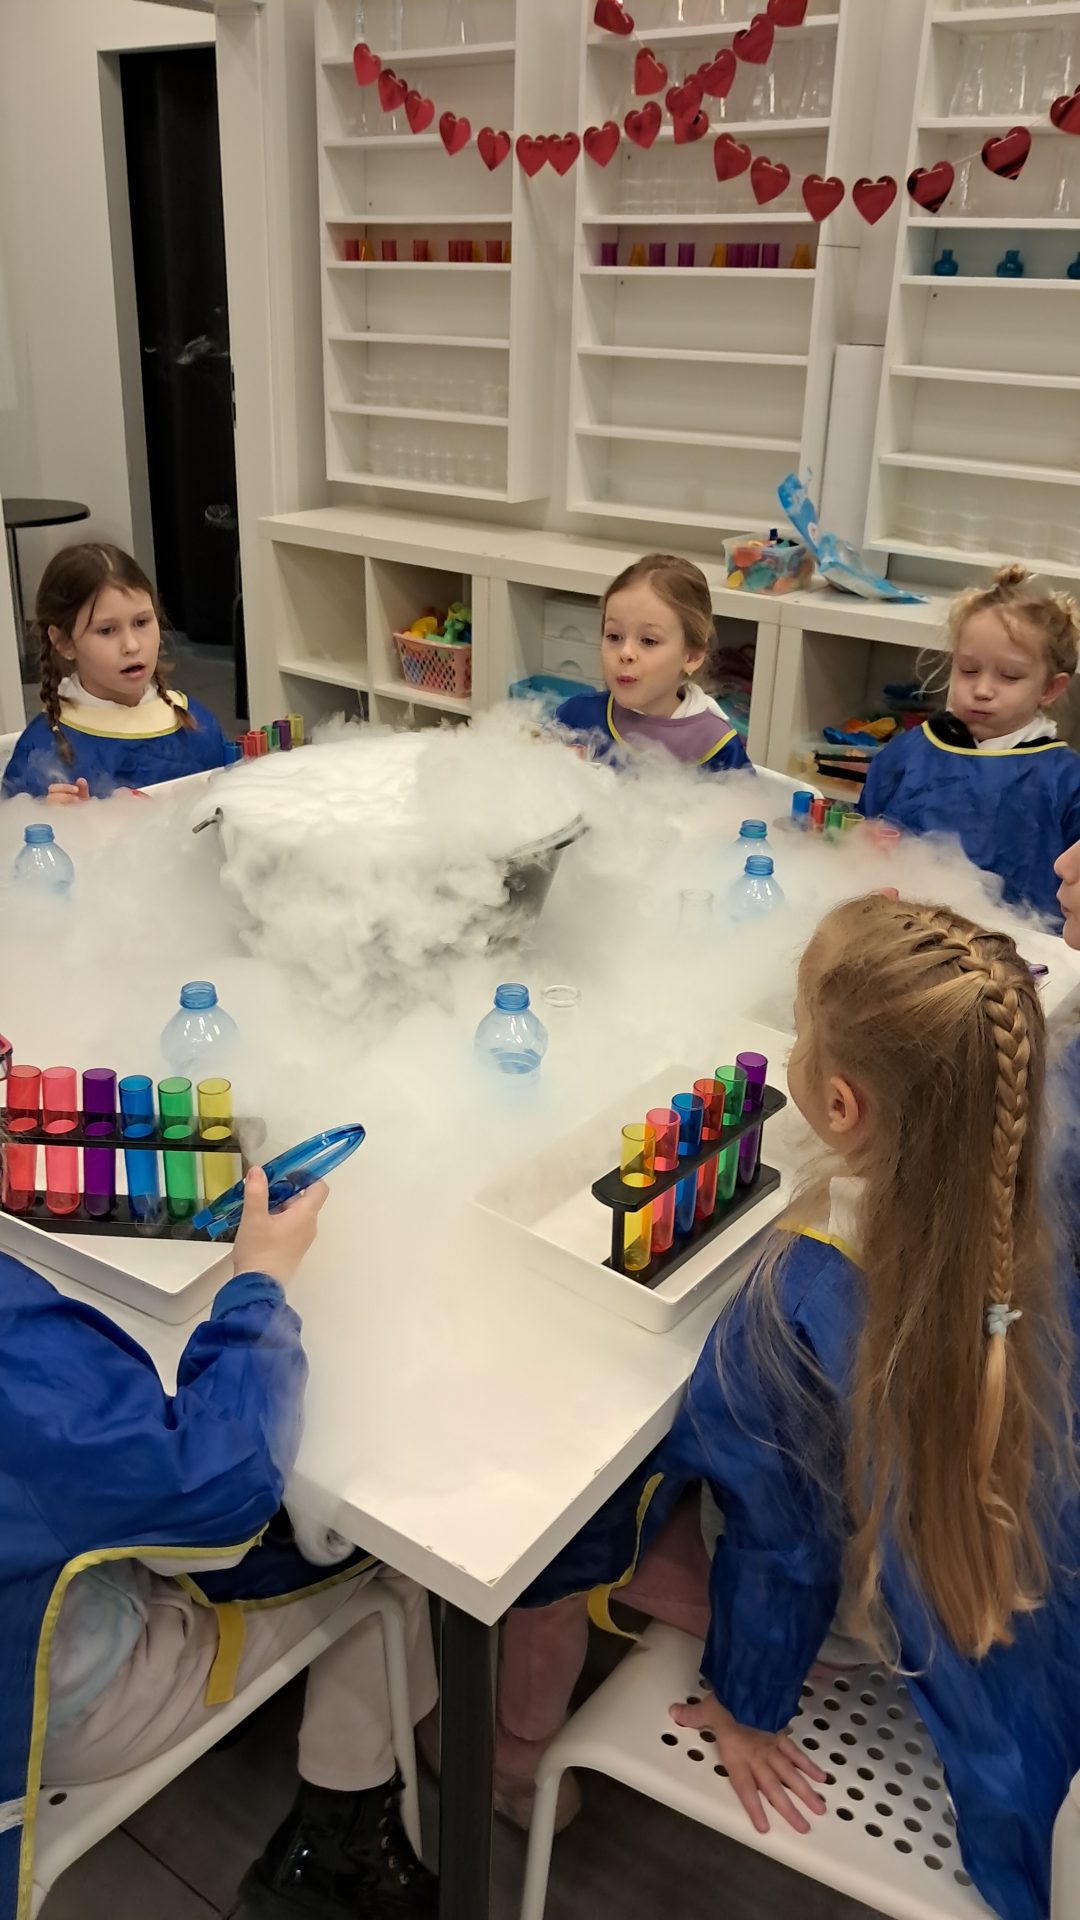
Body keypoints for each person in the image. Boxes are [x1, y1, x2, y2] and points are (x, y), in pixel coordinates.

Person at [500, 895, 1080, 1920]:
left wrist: (748, 1704)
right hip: (1028, 1605)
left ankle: (509, 1755)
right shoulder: (1031, 1196)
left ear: (839, 1106)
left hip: (882, 1620)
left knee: (559, 1522)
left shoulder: (793, 1306)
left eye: (802, 1036)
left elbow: (787, 1547)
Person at [0, 1166, 438, 1920]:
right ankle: (340, 1843)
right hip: (47, 1708)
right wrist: (261, 1279)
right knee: (396, 1543)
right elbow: (223, 1481)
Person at [859, 564, 1080, 923]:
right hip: (905, 934)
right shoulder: (907, 754)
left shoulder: (1066, 780)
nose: (982, 690)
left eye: (1009, 676)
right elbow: (863, 840)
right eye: (969, 670)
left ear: (1050, 688)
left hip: (1025, 946)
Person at [2, 542, 228, 800]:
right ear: (64, 642)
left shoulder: (198, 725)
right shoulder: (44, 751)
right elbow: (14, 822)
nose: (131, 646)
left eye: (141, 622)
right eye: (106, 630)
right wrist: (53, 817)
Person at [553, 553, 752, 773]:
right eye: (614, 636)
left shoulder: (717, 746)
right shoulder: (575, 717)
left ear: (692, 657)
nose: (626, 653)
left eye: (648, 641)